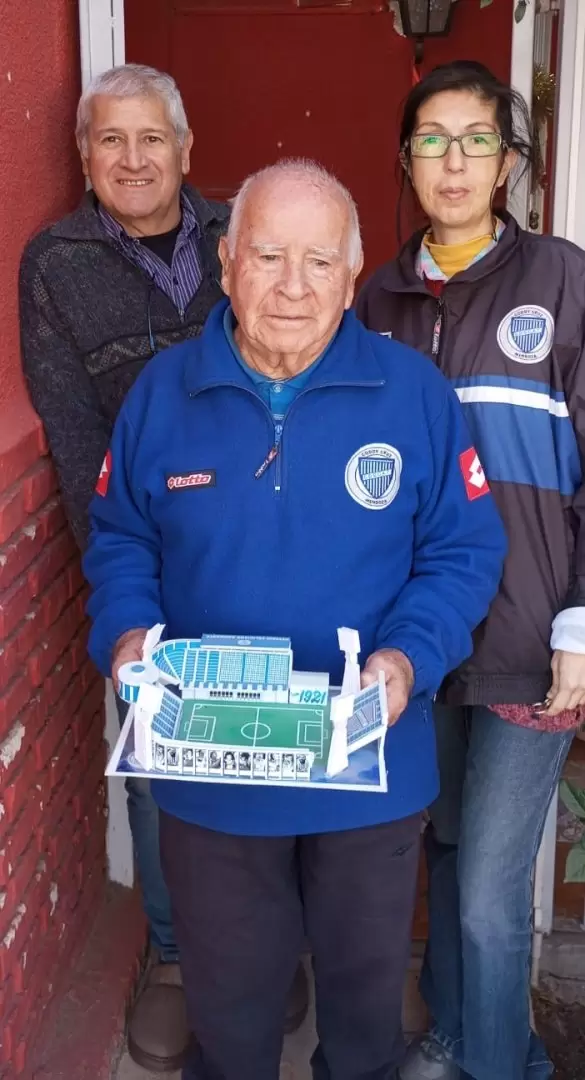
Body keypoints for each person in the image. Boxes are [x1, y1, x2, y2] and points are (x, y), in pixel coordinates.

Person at [83, 158, 506, 1080]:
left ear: (352, 276)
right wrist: (125, 638)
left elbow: (461, 553)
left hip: (370, 759)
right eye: (268, 256)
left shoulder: (413, 394)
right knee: (230, 998)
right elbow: (120, 541)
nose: (291, 286)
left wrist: (405, 660)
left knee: (363, 1000)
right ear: (227, 262)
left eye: (320, 262)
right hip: (213, 761)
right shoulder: (163, 392)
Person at [19, 62, 307, 1072]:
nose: (134, 160)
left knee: (278, 741)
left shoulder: (244, 228)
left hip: (270, 547)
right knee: (158, 764)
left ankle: (272, 948)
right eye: (111, 141)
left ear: (186, 150)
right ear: (84, 156)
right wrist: (119, 578)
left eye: (153, 139)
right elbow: (67, 431)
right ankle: (185, 957)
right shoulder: (55, 262)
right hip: (148, 553)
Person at [356, 61, 585, 1080]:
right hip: (422, 636)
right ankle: (457, 1038)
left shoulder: (565, 281)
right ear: (406, 161)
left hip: (536, 639)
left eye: (477, 139)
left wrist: (582, 622)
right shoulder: (379, 298)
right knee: (444, 859)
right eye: (433, 140)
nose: (454, 161)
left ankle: (501, 1066)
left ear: (511, 161)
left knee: (493, 892)